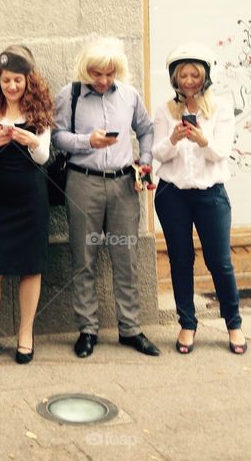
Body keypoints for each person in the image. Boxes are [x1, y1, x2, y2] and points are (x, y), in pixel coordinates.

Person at [51, 37, 159, 358]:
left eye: (109, 74)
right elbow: (56, 137)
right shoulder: (68, 95)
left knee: (125, 257)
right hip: (82, 182)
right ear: (86, 69)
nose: (103, 80)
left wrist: (147, 160)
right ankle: (87, 329)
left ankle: (131, 329)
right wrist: (88, 141)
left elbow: (146, 128)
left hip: (125, 183)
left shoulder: (129, 95)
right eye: (97, 73)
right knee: (83, 257)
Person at [152, 43, 246, 355]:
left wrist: (203, 139)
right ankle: (187, 324)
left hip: (211, 195)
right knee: (180, 260)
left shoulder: (219, 108)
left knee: (219, 261)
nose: (189, 81)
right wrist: (174, 138)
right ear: (174, 79)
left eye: (195, 75)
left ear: (205, 77)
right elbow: (157, 154)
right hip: (172, 195)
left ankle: (233, 324)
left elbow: (221, 153)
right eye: (183, 75)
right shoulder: (165, 109)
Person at [0, 45, 54, 365]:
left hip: (32, 200)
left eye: (18, 81)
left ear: (28, 81)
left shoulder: (40, 112)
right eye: (7, 80)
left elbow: (44, 157)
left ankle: (25, 334)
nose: (12, 86)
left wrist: (30, 140)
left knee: (30, 268)